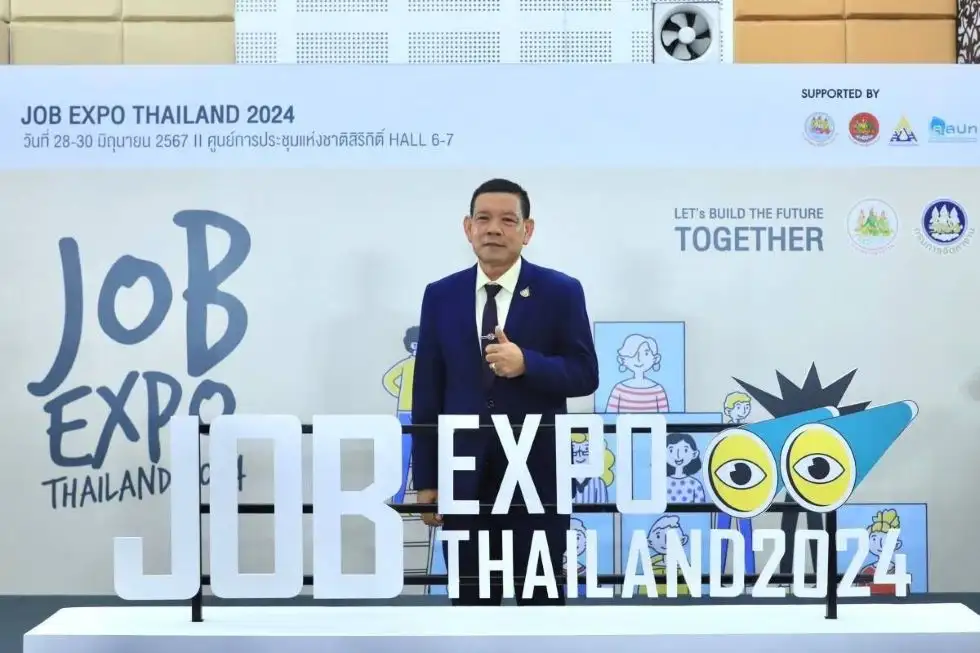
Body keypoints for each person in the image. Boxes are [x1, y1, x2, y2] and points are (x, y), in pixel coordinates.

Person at [411, 178, 599, 606]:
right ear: (468, 228)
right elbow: (427, 391)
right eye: (483, 219)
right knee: (471, 608)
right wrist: (428, 479)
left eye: (507, 220)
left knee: (541, 606)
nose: (493, 229)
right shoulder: (440, 295)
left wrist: (527, 363)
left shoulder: (561, 291)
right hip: (464, 479)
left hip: (536, 480)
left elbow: (585, 374)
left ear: (527, 230)